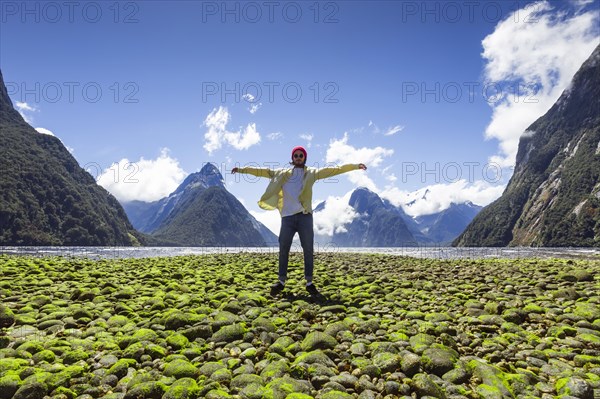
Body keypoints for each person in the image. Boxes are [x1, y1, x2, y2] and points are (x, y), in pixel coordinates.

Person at [232, 146, 367, 297]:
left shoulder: (312, 173)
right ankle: (281, 282)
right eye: (295, 155)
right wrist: (241, 170)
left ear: (304, 158)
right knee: (284, 248)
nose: (298, 157)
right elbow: (261, 171)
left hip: (305, 216)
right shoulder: (281, 173)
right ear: (292, 158)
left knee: (308, 249)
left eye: (301, 155)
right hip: (287, 218)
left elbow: (334, 170)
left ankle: (309, 283)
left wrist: (355, 166)